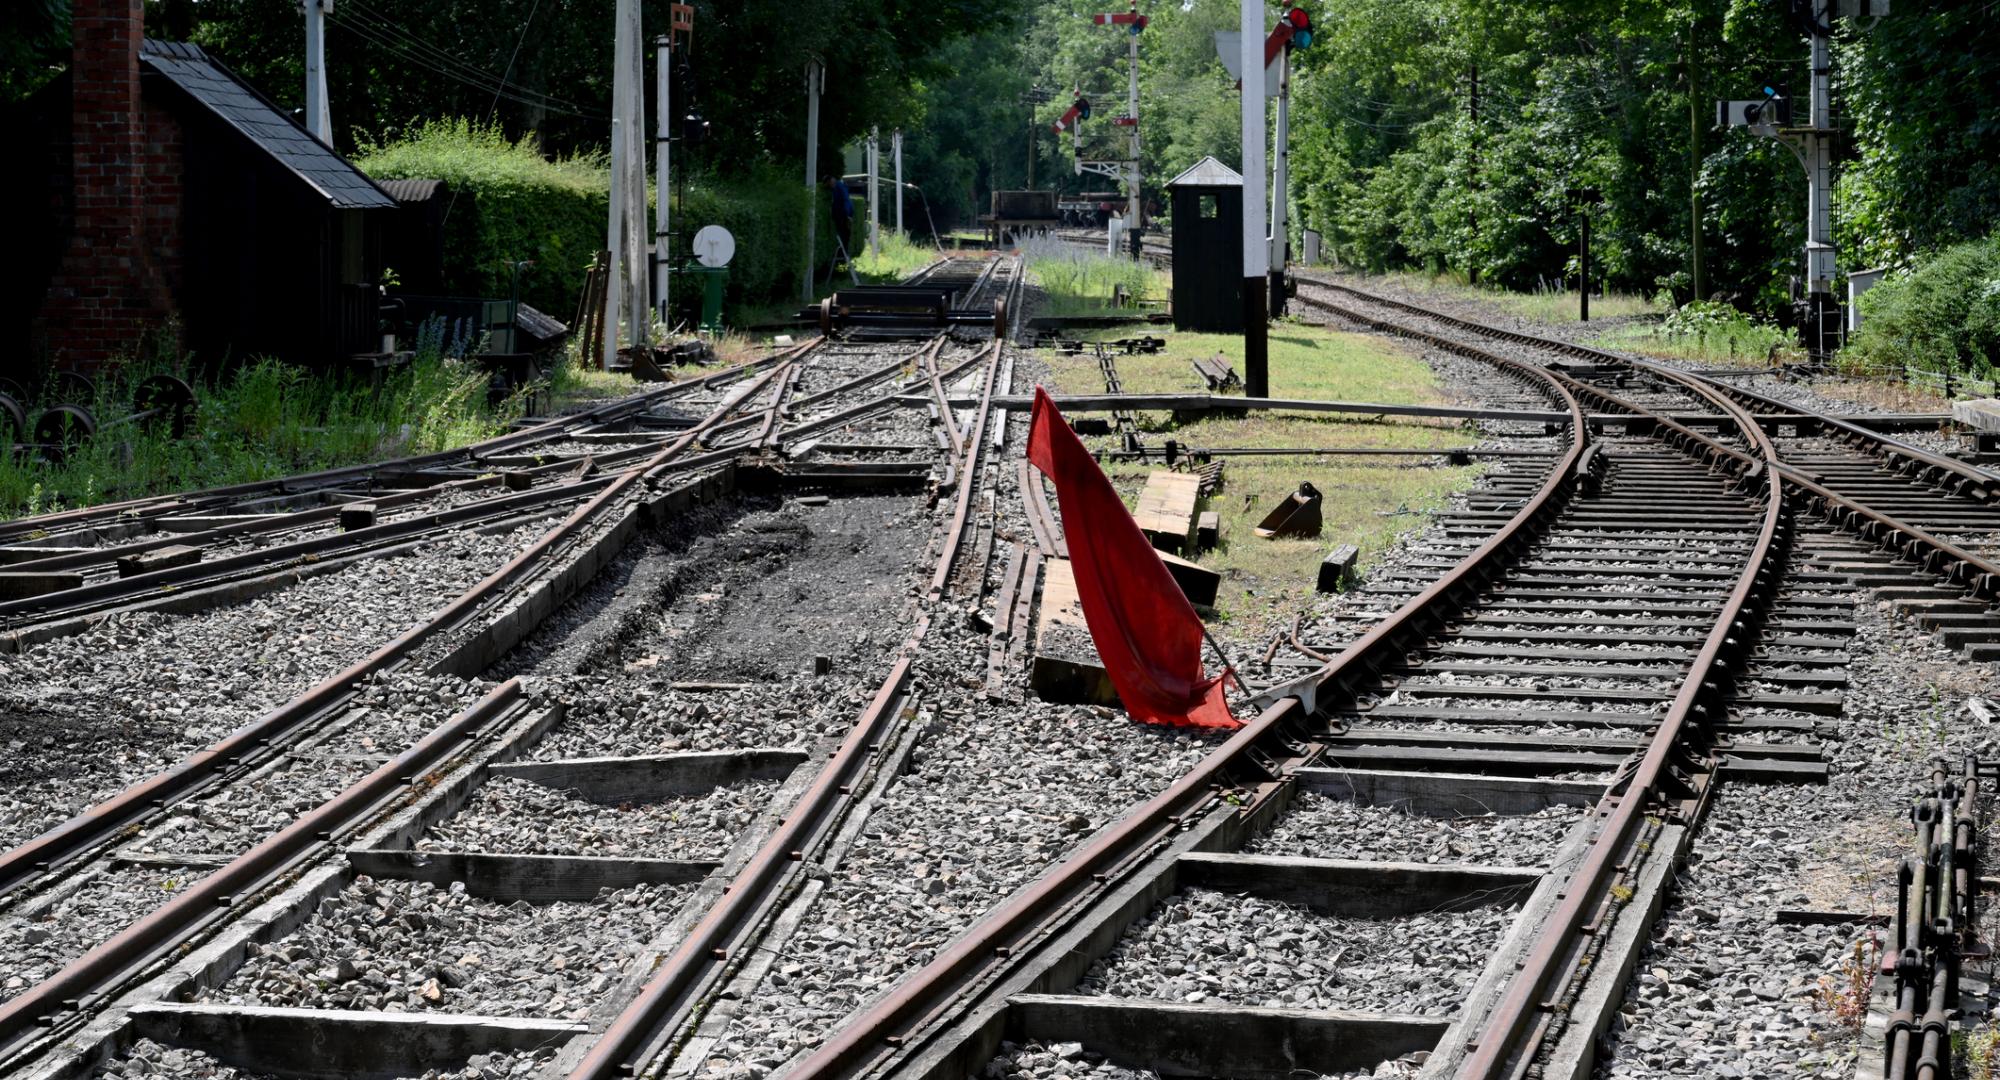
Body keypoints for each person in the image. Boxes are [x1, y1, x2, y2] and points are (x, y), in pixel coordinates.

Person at [829, 177, 855, 268]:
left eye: (829, 184)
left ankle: (841, 266)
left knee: (843, 239)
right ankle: (842, 266)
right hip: (844, 215)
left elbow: (845, 201)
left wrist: (847, 215)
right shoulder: (839, 187)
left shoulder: (839, 187)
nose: (830, 186)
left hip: (843, 216)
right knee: (845, 238)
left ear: (831, 181)